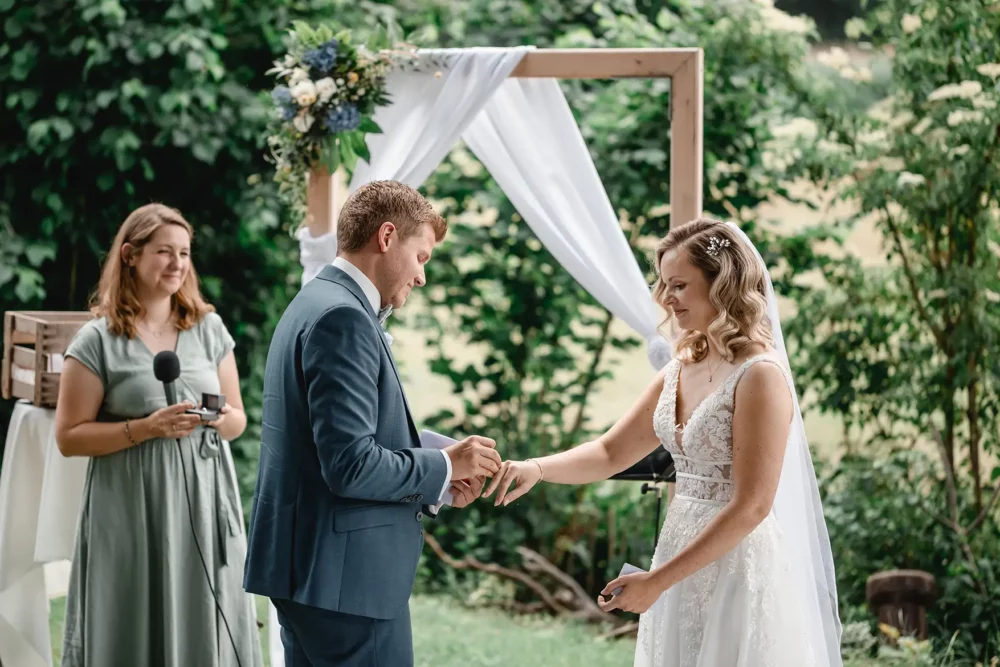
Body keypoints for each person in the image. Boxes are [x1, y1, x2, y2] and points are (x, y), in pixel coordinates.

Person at [484, 217, 843, 667]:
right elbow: (611, 452)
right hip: (676, 551)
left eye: (678, 285)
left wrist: (658, 581)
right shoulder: (679, 368)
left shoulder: (760, 377)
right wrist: (536, 468)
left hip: (734, 566)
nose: (665, 297)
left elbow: (752, 505)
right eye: (664, 284)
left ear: (721, 284)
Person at [243, 179, 502, 667]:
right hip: (346, 585)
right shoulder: (345, 318)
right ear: (386, 238)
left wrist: (440, 479)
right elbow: (350, 465)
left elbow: (325, 445)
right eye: (421, 257)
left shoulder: (315, 300)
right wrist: (445, 464)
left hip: (311, 573)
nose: (422, 277)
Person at [54, 203, 263, 667]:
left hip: (207, 500)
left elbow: (237, 421)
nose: (177, 264)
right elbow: (68, 437)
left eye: (184, 253)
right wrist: (145, 428)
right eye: (164, 252)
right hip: (130, 503)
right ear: (130, 254)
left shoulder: (208, 328)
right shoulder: (96, 340)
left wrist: (213, 417)